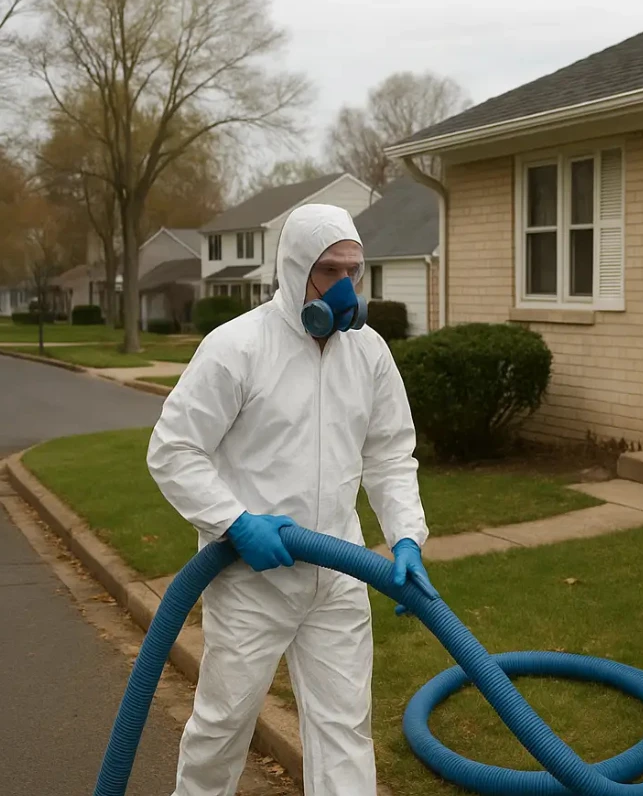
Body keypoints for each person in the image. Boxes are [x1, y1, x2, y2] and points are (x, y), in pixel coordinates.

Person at [146, 203, 438, 796]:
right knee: (223, 726)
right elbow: (174, 449)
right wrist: (234, 522)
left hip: (338, 575)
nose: (345, 287)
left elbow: (389, 454)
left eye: (354, 271)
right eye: (330, 271)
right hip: (253, 579)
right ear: (296, 266)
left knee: (343, 730)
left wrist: (406, 535)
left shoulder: (369, 353)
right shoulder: (238, 347)